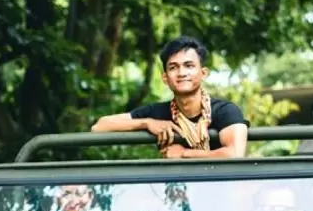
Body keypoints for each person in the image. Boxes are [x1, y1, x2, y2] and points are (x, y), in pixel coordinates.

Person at [90, 36, 249, 159]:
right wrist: (147, 122)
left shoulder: (224, 110)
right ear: (165, 78)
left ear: (203, 73)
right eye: (174, 67)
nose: (181, 73)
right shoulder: (158, 113)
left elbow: (234, 154)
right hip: (176, 194)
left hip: (221, 190)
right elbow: (99, 127)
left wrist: (184, 154)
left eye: (189, 66)